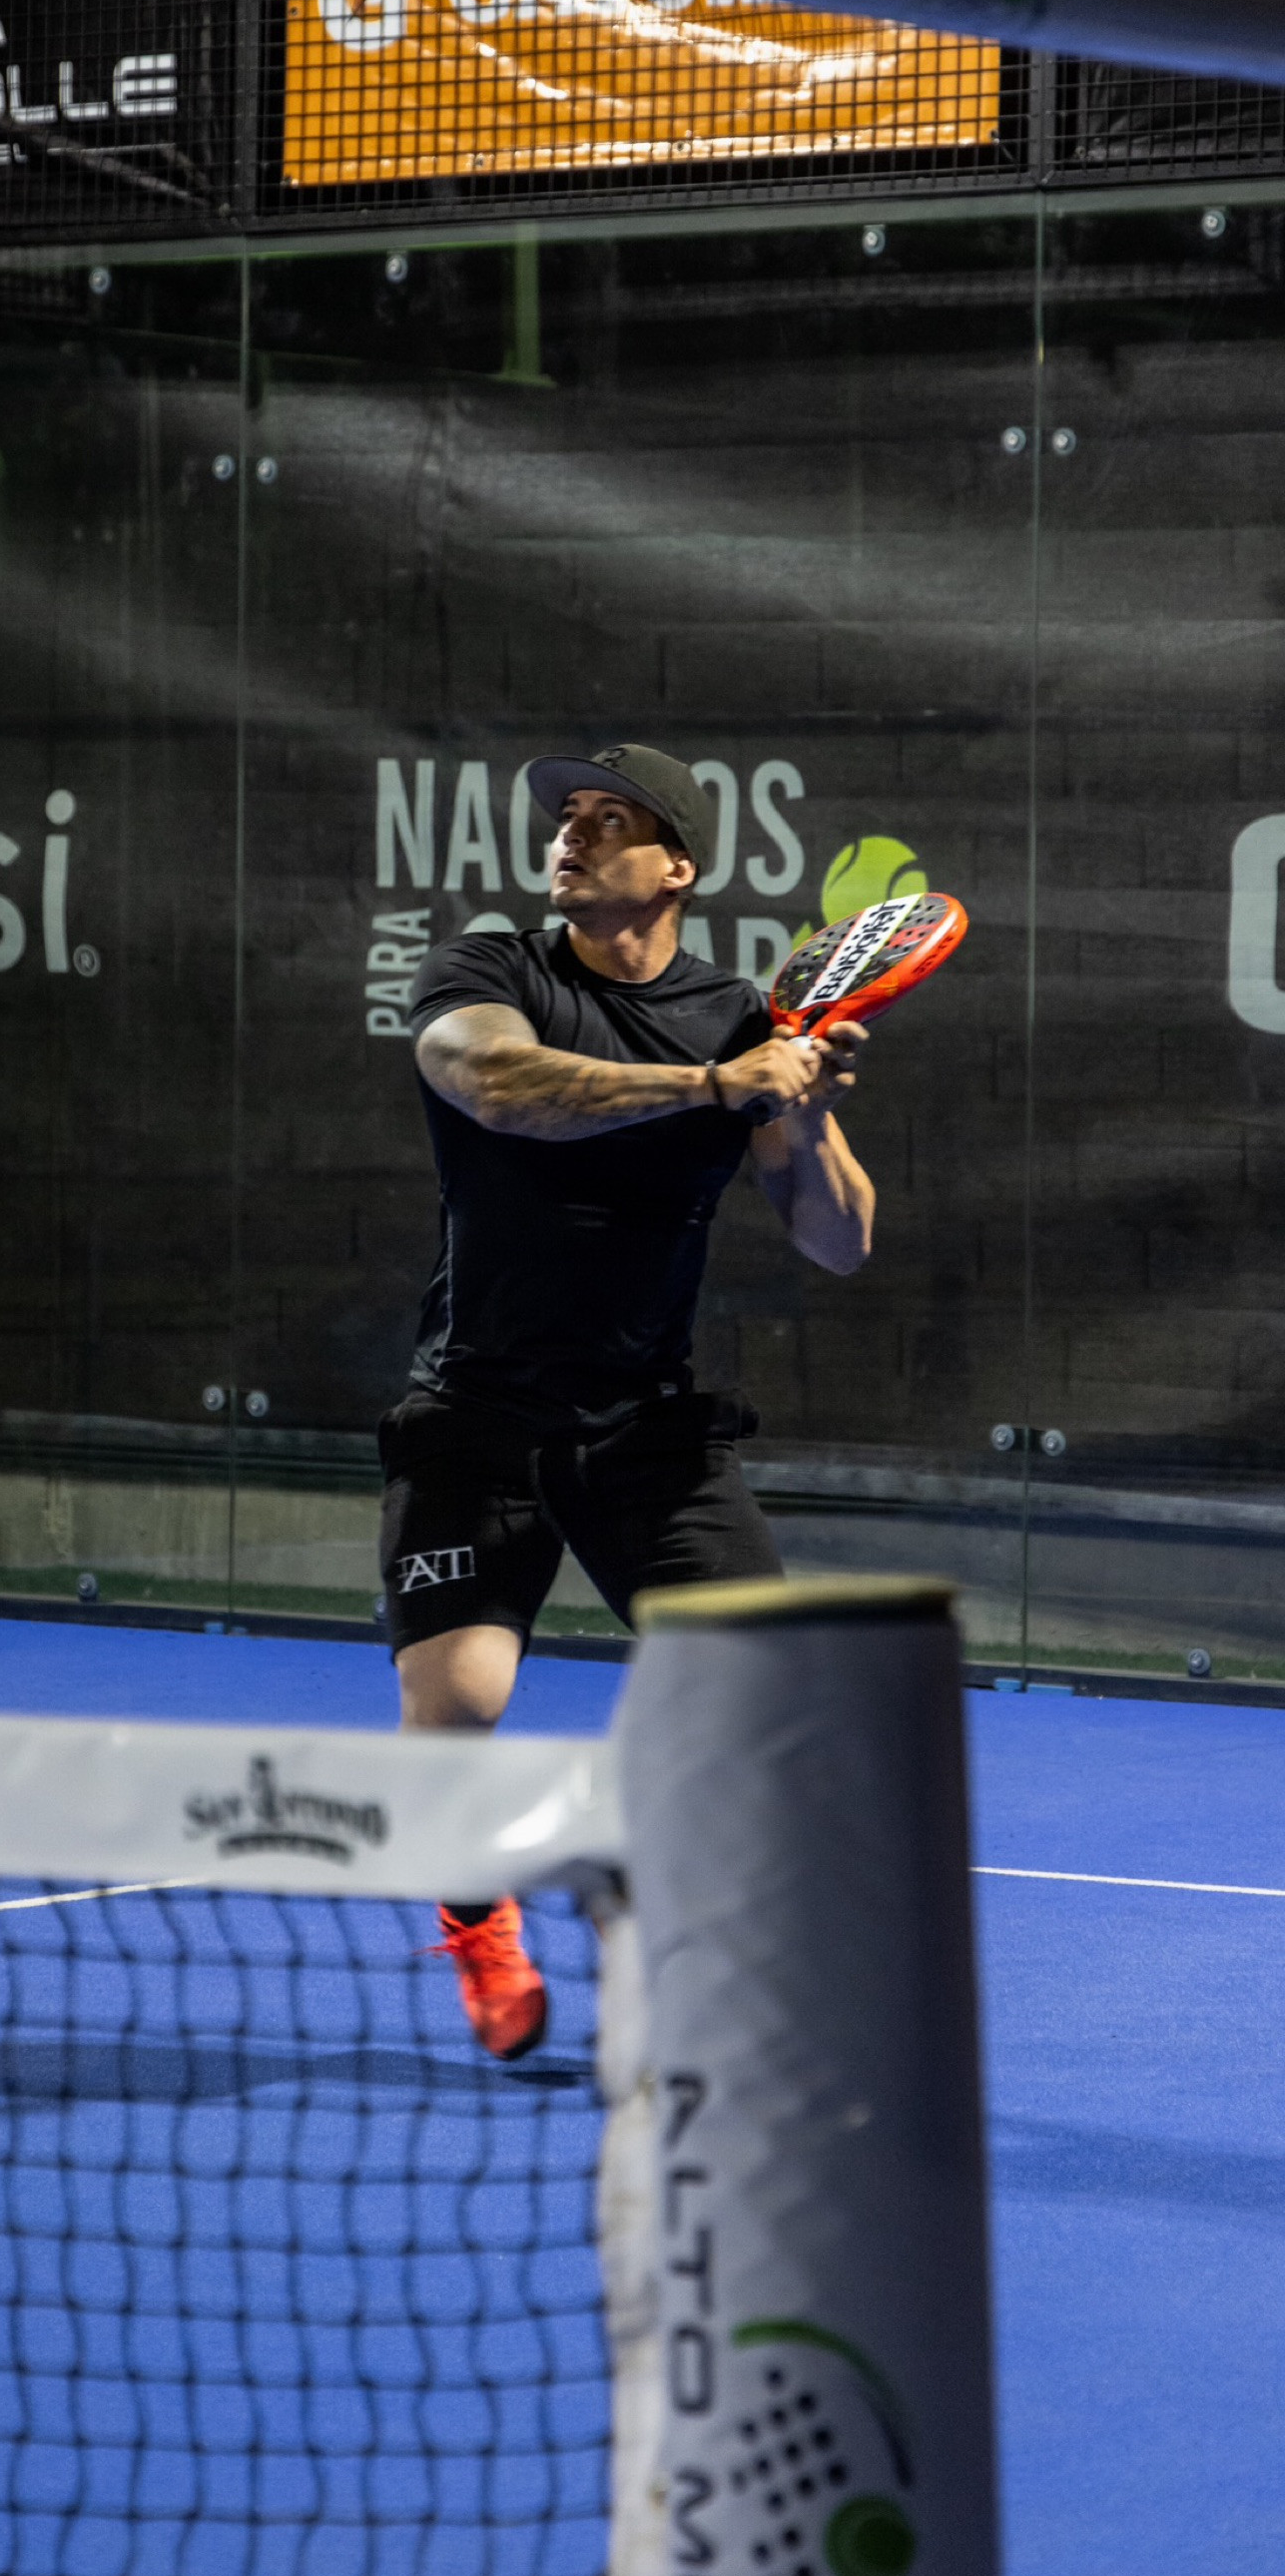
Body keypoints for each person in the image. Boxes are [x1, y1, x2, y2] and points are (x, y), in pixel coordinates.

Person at [380, 744, 876, 2058]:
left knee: (763, 1693)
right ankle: (476, 1918)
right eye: (568, 818)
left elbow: (839, 1241)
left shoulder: (742, 1016)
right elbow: (498, 1087)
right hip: (477, 1412)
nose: (573, 835)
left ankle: (712, 1952)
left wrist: (805, 1107)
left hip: (649, 1426)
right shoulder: (491, 970)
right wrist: (714, 1088)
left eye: (612, 821)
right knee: (457, 1710)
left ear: (678, 869)